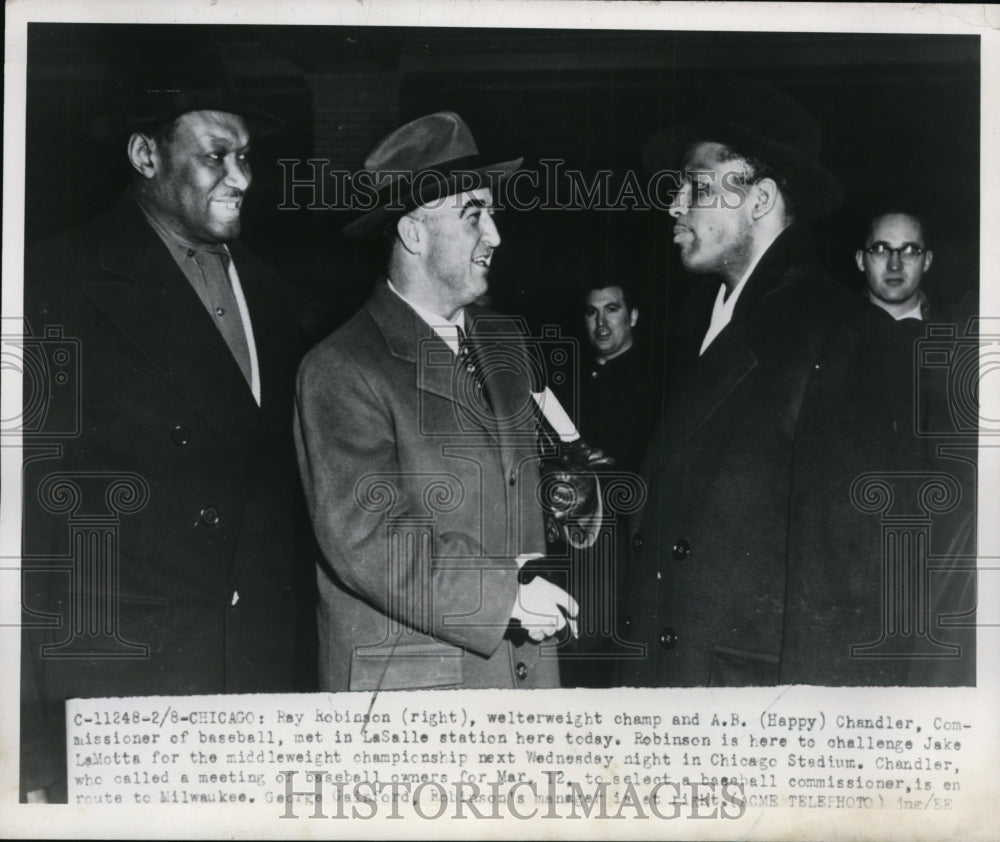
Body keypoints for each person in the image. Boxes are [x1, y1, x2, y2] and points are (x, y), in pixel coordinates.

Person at [20, 53, 315, 801]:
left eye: (246, 156)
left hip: (255, 675)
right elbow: (25, 524)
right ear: (145, 155)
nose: (242, 176)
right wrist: (30, 739)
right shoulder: (53, 282)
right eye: (216, 155)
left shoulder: (279, 295)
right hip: (125, 681)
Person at [295, 112, 601, 692]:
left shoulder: (505, 342)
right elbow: (367, 538)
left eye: (492, 213)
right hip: (418, 696)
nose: (496, 235)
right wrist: (507, 597)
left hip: (524, 678)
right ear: (413, 234)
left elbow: (531, 472)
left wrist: (573, 492)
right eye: (474, 215)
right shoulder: (340, 368)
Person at [579, 282, 661, 475]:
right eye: (592, 312)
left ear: (632, 317)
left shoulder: (657, 382)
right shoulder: (571, 376)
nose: (601, 322)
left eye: (611, 309)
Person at [856, 210, 934, 320]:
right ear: (861, 260)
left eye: (909, 251)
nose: (894, 266)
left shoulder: (953, 323)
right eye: (880, 250)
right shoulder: (834, 325)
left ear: (927, 261)